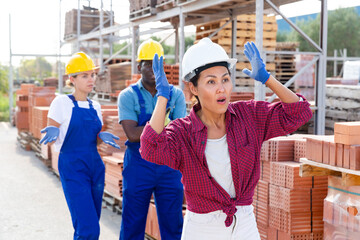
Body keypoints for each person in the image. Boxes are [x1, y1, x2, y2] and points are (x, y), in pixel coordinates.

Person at [140, 38, 313, 239]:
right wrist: (162, 96)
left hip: (244, 223)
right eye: (211, 81)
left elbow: (300, 113)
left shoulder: (249, 116)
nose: (221, 88)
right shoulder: (182, 132)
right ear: (194, 89)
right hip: (202, 228)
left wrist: (267, 79)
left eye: (225, 79)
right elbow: (150, 148)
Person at [40, 52, 120, 239]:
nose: (90, 79)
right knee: (89, 228)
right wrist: (53, 133)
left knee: (89, 223)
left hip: (95, 167)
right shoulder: (61, 103)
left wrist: (101, 135)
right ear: (72, 79)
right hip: (73, 167)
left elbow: (94, 138)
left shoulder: (96, 106)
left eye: (92, 75)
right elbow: (50, 137)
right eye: (84, 76)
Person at [117, 39, 186, 240]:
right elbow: (131, 134)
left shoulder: (176, 95)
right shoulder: (127, 96)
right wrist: (165, 124)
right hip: (139, 167)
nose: (152, 68)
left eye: (157, 63)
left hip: (169, 166)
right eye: (147, 63)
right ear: (139, 67)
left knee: (173, 224)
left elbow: (180, 133)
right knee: (133, 223)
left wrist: (149, 130)